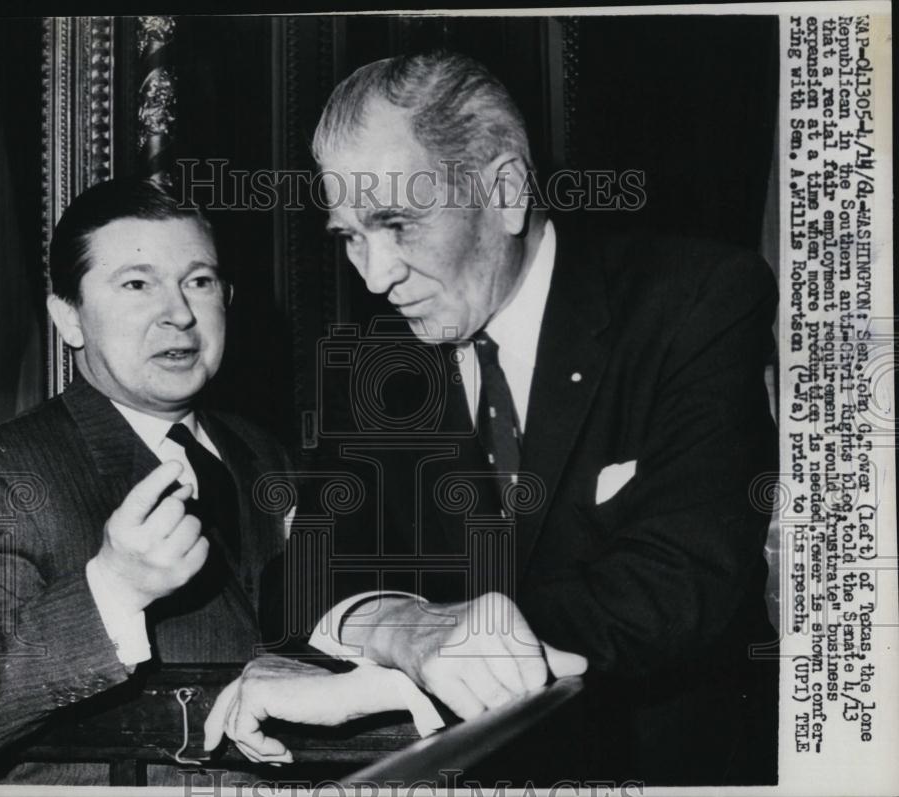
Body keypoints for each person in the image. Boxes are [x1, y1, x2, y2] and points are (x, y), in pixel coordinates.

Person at [208, 52, 779, 786]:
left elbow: (677, 586)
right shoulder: (381, 364)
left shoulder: (694, 304)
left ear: (506, 191)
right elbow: (303, 580)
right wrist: (410, 633)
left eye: (396, 223)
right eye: (348, 235)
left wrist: (424, 656)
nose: (375, 276)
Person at [0, 178, 292, 785]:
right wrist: (111, 592)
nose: (179, 313)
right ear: (69, 318)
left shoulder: (264, 453)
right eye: (138, 284)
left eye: (198, 281)